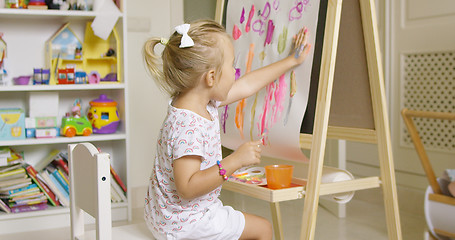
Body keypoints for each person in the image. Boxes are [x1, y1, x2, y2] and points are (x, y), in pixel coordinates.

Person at [143, 19, 310, 240]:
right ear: (211, 77)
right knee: (263, 229)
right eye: (232, 65)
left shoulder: (197, 101)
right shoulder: (189, 126)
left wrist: (291, 60)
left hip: (167, 217)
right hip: (186, 223)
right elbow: (187, 187)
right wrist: (235, 161)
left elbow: (248, 85)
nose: (235, 71)